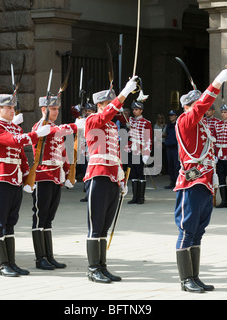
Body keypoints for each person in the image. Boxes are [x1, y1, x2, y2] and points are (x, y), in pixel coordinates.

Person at [174, 68, 227, 293]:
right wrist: (217, 82)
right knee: (187, 230)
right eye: (197, 105)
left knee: (198, 231)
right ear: (188, 106)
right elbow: (201, 107)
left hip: (205, 182)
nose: (204, 109)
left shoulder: (201, 125)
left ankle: (194, 277)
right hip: (191, 182)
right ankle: (185, 279)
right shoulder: (186, 121)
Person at [0, 93, 51, 277]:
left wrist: (26, 175)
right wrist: (35, 134)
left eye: (13, 108)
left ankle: (11, 262)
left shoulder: (13, 127)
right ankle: (2, 264)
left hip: (14, 178)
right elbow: (14, 141)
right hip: (0, 177)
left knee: (11, 221)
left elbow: (21, 154)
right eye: (9, 108)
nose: (12, 110)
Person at [83, 77, 138, 283]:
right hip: (97, 176)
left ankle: (102, 266)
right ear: (99, 106)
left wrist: (121, 177)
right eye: (108, 104)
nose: (113, 108)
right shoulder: (93, 120)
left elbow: (116, 155)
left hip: (112, 177)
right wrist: (124, 93)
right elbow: (106, 115)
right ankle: (92, 268)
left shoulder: (113, 127)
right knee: (95, 225)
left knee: (105, 226)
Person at [30, 95, 84, 270]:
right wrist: (76, 126)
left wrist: (68, 172)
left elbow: (62, 151)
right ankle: (40, 258)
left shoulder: (53, 127)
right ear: (44, 110)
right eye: (53, 109)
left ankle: (49, 256)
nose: (56, 112)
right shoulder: (40, 127)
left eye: (57, 109)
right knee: (40, 216)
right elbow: (57, 132)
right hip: (42, 175)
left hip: (55, 176)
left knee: (49, 218)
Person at [126, 100, 152, 204]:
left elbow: (148, 139)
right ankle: (134, 196)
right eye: (133, 109)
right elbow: (121, 116)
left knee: (141, 174)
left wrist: (146, 153)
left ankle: (141, 197)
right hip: (132, 149)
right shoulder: (130, 121)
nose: (134, 111)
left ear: (141, 110)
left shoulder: (147, 123)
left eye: (136, 109)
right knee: (133, 173)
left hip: (141, 151)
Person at [163, 110, 179, 189]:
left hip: (176, 147)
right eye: (170, 115)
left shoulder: (178, 125)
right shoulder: (168, 126)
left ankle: (177, 182)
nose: (170, 117)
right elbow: (166, 134)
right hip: (169, 147)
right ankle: (172, 182)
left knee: (177, 165)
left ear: (176, 116)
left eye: (172, 115)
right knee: (170, 165)